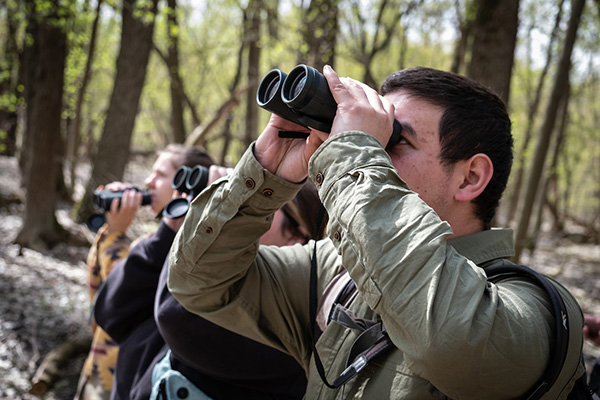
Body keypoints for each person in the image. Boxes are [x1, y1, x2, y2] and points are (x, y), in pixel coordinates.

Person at [167, 66, 586, 399]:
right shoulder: (337, 274)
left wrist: (353, 151)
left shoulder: (536, 311)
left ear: (470, 177)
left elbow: (447, 335)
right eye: (371, 134)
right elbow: (199, 283)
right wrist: (266, 171)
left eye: (392, 140)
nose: (370, 150)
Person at [93, 177, 326, 400]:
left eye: (265, 203)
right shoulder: (206, 267)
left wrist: (197, 230)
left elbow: (174, 314)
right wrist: (168, 233)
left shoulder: (290, 318)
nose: (244, 205)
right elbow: (111, 313)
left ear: (296, 235)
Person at [75, 144, 214, 400]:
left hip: (125, 378)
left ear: (186, 184)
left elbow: (120, 296)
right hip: (100, 371)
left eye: (160, 175)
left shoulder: (186, 252)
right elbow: (99, 298)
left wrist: (117, 234)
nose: (148, 182)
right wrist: (110, 229)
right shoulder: (150, 242)